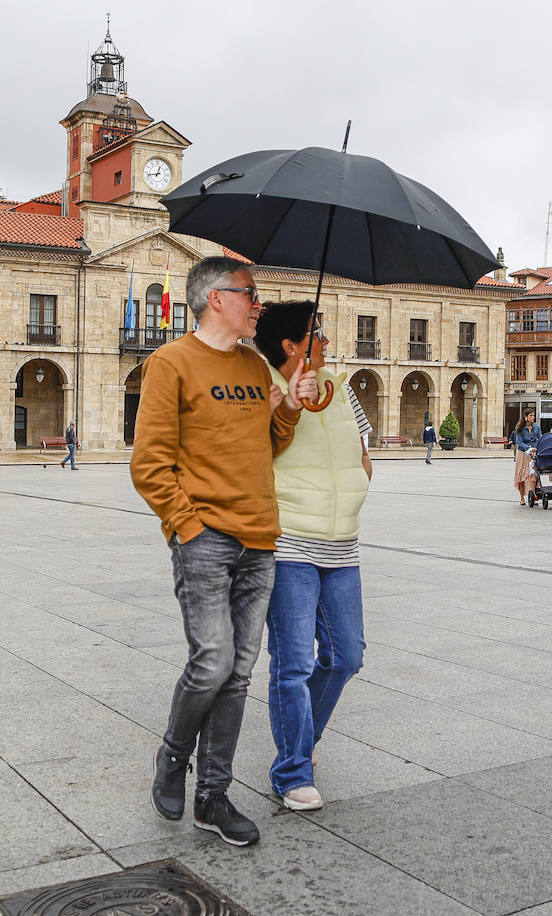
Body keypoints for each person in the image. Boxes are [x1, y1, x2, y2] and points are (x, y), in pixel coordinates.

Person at [131, 256, 317, 848]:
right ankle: (172, 756)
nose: (258, 303)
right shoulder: (171, 364)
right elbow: (149, 463)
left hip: (260, 537)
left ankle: (212, 797)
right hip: (207, 537)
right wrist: (186, 526)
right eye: (249, 294)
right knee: (211, 661)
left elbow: (271, 443)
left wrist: (288, 404)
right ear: (216, 298)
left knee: (237, 675)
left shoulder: (256, 365)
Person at [252, 302, 371, 812]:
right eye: (316, 334)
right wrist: (287, 407)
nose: (324, 341)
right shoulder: (261, 392)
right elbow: (251, 452)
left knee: (347, 655)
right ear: (290, 345)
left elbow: (364, 449)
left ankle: (304, 738)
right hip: (291, 543)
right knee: (294, 662)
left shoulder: (342, 390)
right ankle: (292, 770)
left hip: (343, 544)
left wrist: (362, 478)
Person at [511, 410, 540, 505]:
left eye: (533, 415)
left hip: (533, 453)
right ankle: (522, 497)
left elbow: (540, 438)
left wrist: (538, 448)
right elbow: (519, 441)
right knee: (521, 476)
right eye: (531, 415)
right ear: (526, 416)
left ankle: (533, 495)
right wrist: (528, 448)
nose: (533, 417)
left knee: (532, 475)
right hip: (523, 453)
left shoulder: (536, 427)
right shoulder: (520, 427)